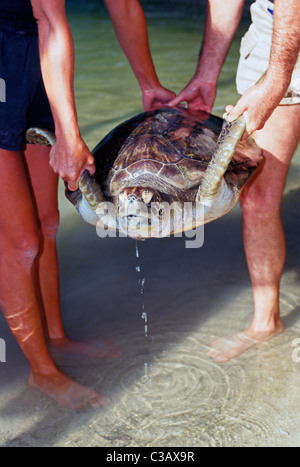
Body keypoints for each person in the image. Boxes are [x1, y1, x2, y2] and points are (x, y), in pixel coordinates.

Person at [0, 0, 173, 409]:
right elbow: (51, 19)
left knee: (46, 225)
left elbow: (125, 5)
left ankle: (56, 337)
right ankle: (42, 373)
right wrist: (69, 134)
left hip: (38, 58)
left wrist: (149, 84)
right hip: (22, 46)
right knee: (19, 243)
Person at [170, 0, 300, 362]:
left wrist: (277, 78)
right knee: (257, 196)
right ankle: (266, 322)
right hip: (274, 34)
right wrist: (207, 74)